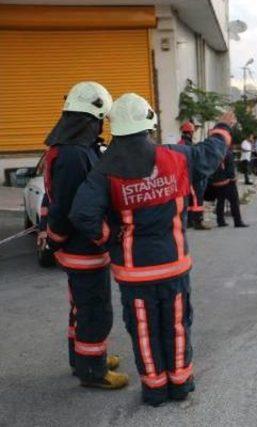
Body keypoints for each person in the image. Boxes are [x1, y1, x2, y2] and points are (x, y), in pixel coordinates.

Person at [69, 93, 235, 407]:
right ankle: (180, 383)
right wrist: (223, 127)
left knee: (144, 329)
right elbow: (210, 154)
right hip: (173, 266)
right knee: (176, 325)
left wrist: (112, 239)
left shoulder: (105, 171)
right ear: (149, 124)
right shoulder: (175, 157)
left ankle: (154, 389)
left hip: (134, 273)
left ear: (115, 127)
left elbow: (82, 214)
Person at [42, 81, 128, 390]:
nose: (101, 128)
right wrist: (58, 237)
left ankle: (83, 357)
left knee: (81, 306)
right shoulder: (74, 155)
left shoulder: (75, 150)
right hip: (83, 249)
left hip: (79, 247)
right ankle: (93, 369)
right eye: (100, 121)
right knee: (94, 309)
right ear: (89, 119)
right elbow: (66, 206)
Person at [179, 122, 209, 230]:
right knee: (197, 200)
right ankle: (198, 222)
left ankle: (190, 221)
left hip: (185, 176)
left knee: (190, 200)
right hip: (192, 176)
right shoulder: (188, 145)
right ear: (191, 132)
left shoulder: (180, 143)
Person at [207, 149, 249, 228]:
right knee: (234, 202)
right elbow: (230, 169)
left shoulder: (213, 151)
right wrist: (233, 178)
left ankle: (220, 221)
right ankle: (237, 221)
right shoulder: (227, 152)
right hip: (227, 182)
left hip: (217, 181)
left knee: (220, 201)